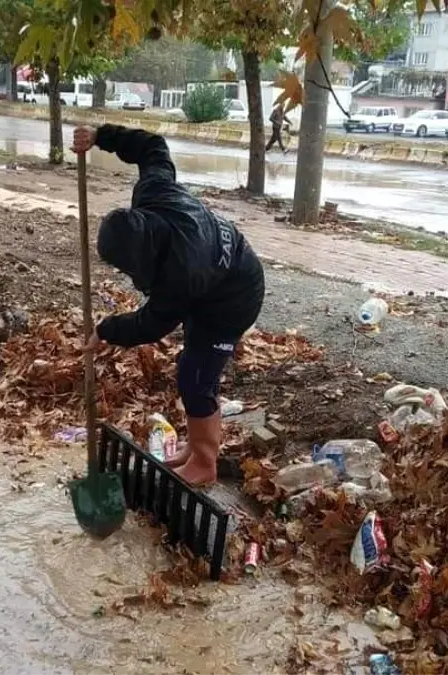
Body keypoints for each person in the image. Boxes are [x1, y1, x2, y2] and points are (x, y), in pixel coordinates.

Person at [72, 124, 265, 487]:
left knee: (196, 378)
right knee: (193, 365)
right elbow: (153, 148)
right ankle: (195, 446)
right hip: (214, 280)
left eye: (127, 267)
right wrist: (101, 136)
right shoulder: (154, 192)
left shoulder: (180, 275)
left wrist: (105, 330)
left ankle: (205, 464)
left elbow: (151, 324)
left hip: (235, 297)